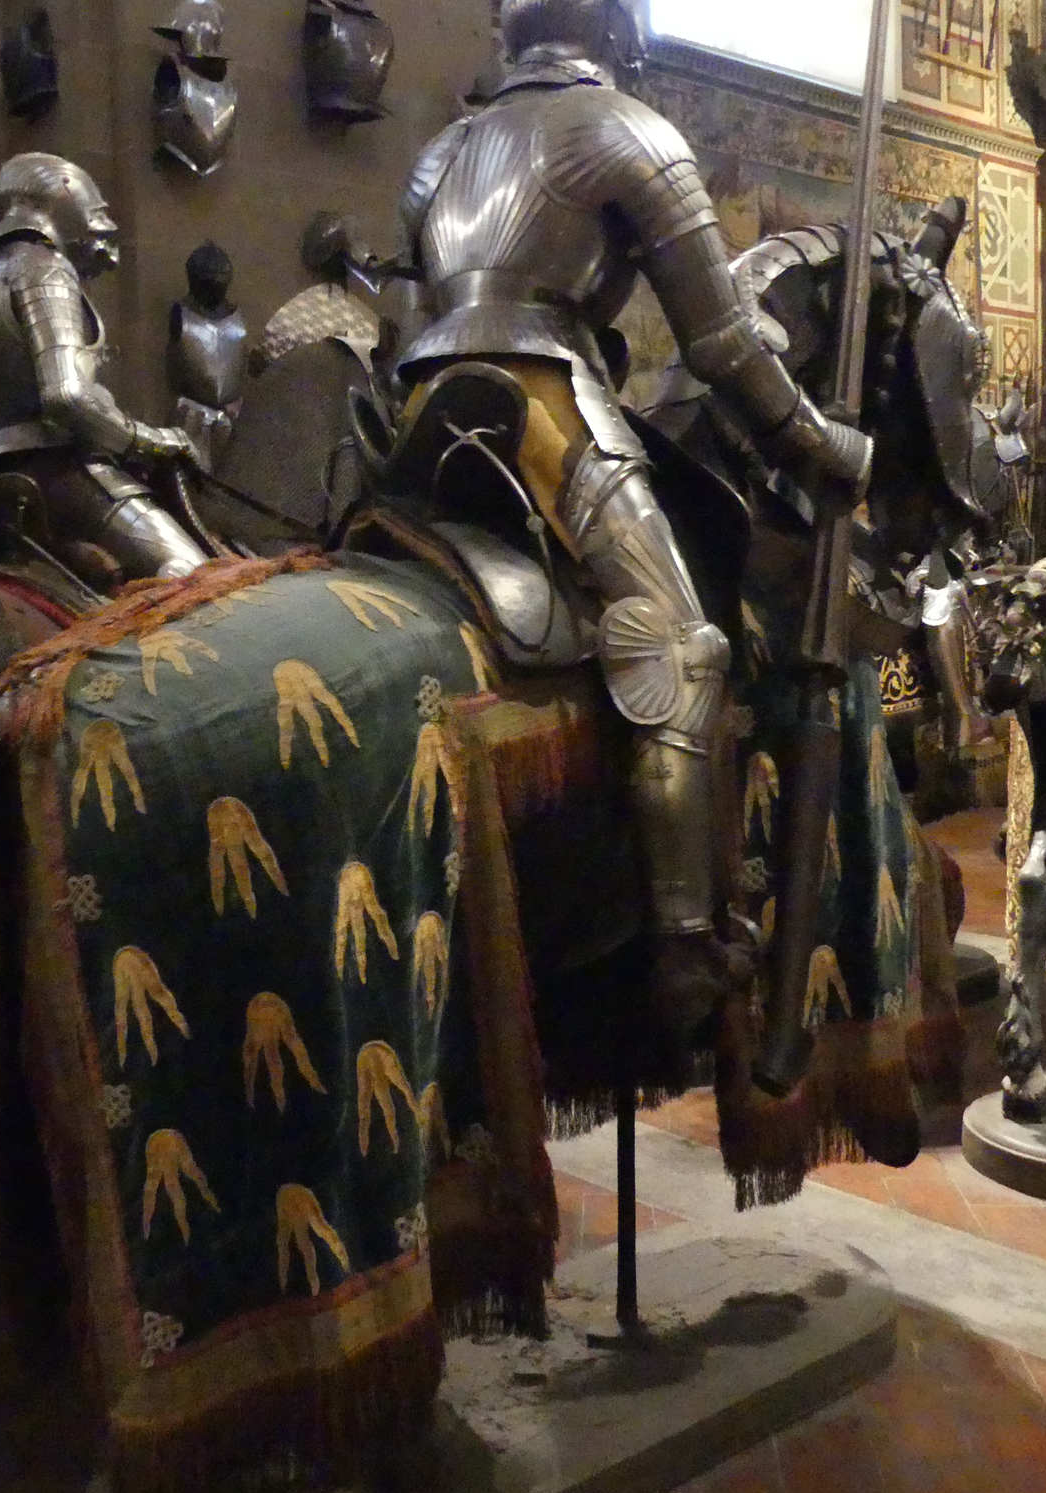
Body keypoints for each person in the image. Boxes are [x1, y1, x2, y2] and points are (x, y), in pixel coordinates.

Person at [393, 0, 871, 1025]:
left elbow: (415, 305)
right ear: (615, 31)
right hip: (539, 399)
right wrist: (819, 444)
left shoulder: (442, 153)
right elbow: (721, 343)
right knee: (681, 646)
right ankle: (682, 943)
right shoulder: (623, 127)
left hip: (421, 403)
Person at [0, 153, 207, 583]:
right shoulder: (45, 270)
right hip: (60, 471)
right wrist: (154, 441)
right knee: (195, 578)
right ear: (63, 200)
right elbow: (67, 396)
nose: (104, 224)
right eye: (98, 211)